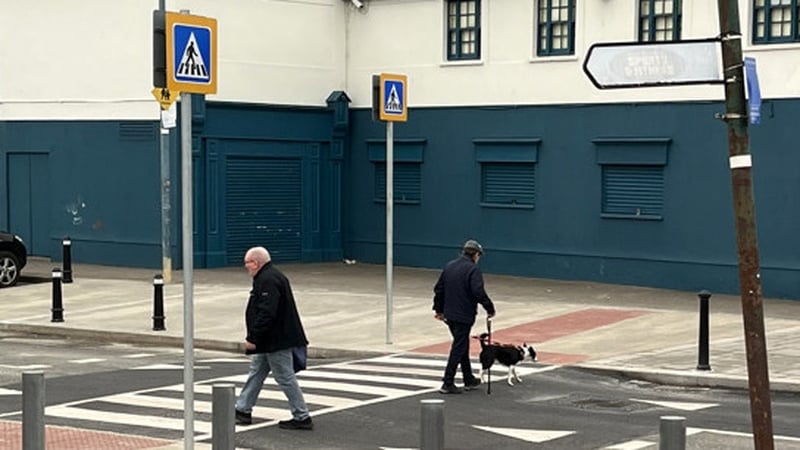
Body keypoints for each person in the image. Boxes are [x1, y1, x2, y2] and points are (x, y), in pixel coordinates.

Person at [234, 246, 313, 430]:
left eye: (247, 263)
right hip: (271, 339)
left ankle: (302, 416)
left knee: (285, 377)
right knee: (257, 372)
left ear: (256, 263)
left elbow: (267, 312)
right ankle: (243, 409)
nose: (246, 267)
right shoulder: (268, 277)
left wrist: (253, 337)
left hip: (276, 340)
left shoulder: (268, 280)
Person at [432, 239, 496, 394]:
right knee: (458, 346)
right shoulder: (472, 270)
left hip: (449, 314)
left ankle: (468, 378)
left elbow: (439, 289)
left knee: (462, 344)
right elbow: (478, 291)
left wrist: (439, 310)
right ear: (475, 254)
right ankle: (448, 382)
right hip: (464, 314)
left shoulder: (450, 266)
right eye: (479, 255)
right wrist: (489, 308)